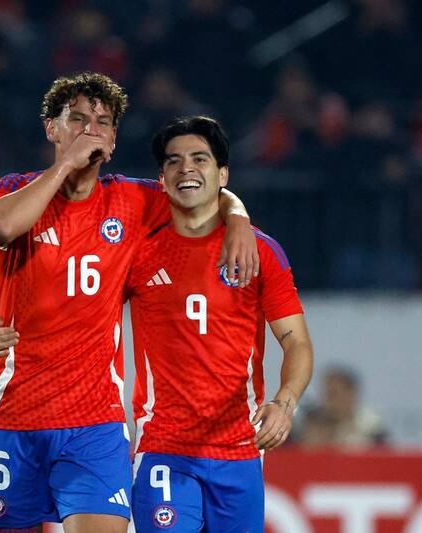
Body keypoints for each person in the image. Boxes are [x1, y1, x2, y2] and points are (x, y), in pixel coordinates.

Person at [0, 74, 258, 533]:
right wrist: (65, 166)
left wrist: (238, 217)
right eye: (77, 120)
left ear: (112, 141)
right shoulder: (12, 188)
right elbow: (2, 227)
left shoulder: (133, 201)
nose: (90, 131)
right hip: (14, 412)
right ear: (51, 129)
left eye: (102, 123)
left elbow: (201, 190)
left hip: (94, 422)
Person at [125, 116, 314, 531]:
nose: (186, 169)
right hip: (164, 446)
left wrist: (284, 403)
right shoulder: (138, 253)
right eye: (173, 161)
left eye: (200, 159)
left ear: (222, 174)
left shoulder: (260, 252)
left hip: (239, 448)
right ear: (161, 178)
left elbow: (296, 342)